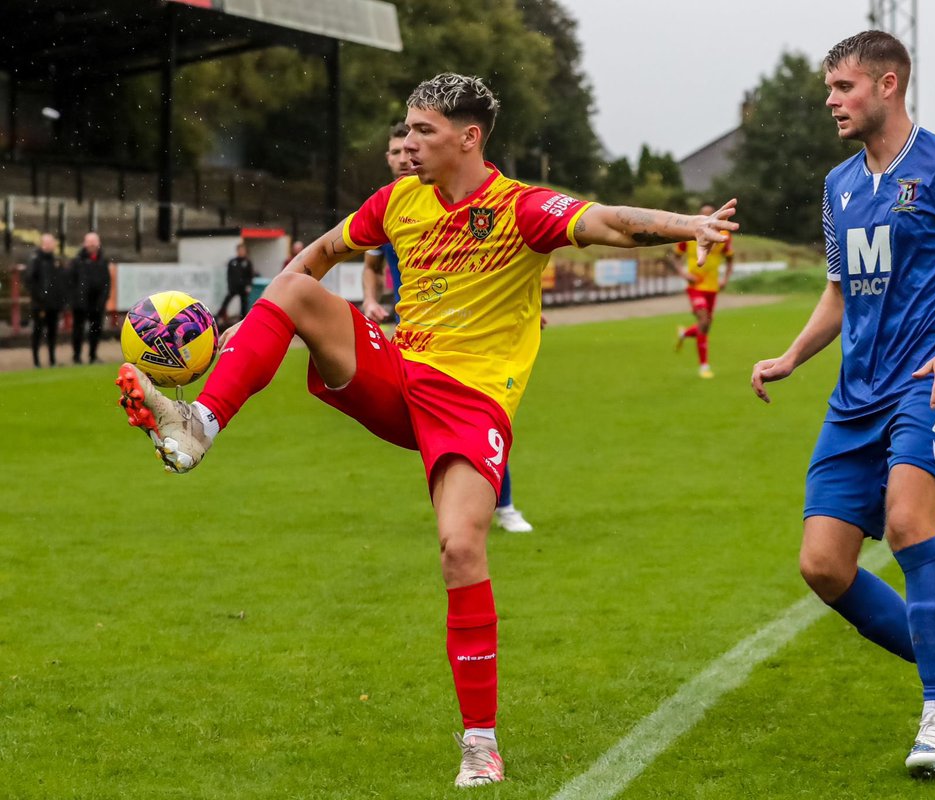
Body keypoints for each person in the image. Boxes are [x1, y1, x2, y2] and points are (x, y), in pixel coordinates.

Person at [115, 73, 736, 788]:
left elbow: (605, 223)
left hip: (472, 402)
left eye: (422, 131)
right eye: (405, 129)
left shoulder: (521, 208)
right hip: (401, 374)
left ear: (469, 138)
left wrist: (687, 225)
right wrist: (249, 330)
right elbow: (315, 257)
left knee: (460, 546)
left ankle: (480, 743)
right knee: (292, 288)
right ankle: (198, 423)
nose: (406, 143)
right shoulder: (398, 201)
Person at [750, 31, 935, 776]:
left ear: (888, 84)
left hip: (928, 385)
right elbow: (839, 291)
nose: (831, 101)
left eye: (844, 87)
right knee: (823, 567)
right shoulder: (839, 187)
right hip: (853, 399)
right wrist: (793, 355)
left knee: (906, 521)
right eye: (831, 89)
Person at [361, 121, 536, 535]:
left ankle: (502, 505)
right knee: (438, 425)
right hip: (414, 328)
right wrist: (369, 300)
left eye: (408, 149)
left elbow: (501, 262)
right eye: (394, 152)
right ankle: (460, 513)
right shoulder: (388, 206)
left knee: (476, 416)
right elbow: (368, 267)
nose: (403, 156)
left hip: (463, 329)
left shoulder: (455, 197)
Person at [673, 203, 735, 378]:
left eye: (712, 215)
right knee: (703, 319)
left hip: (712, 286)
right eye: (705, 215)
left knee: (705, 325)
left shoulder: (724, 236)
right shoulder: (690, 234)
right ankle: (704, 366)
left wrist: (725, 279)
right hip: (696, 285)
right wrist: (684, 274)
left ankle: (684, 333)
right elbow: (676, 258)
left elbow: (730, 260)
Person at [24, 232, 70, 368]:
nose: (52, 245)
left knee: (52, 333)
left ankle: (52, 360)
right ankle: (36, 361)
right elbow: (29, 281)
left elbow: (60, 282)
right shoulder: (36, 260)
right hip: (39, 305)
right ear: (43, 244)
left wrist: (61, 300)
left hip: (53, 305)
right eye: (49, 243)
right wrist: (39, 298)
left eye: (52, 243)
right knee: (37, 332)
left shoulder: (55, 261)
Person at [70, 231, 114, 364]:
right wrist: (76, 299)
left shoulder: (103, 261)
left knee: (95, 330)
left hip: (97, 303)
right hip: (80, 303)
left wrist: (103, 298)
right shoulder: (77, 261)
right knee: (78, 329)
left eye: (94, 242)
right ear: (84, 244)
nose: (92, 245)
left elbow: (107, 282)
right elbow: (71, 281)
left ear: (98, 244)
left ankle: (93, 356)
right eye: (89, 242)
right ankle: (76, 356)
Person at [217, 242, 256, 324]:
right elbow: (229, 275)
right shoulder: (232, 261)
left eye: (243, 250)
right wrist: (230, 285)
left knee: (244, 305)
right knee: (226, 302)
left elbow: (250, 275)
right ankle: (219, 317)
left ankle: (243, 321)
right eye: (239, 250)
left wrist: (248, 285)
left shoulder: (247, 262)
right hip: (233, 287)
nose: (241, 252)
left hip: (243, 287)